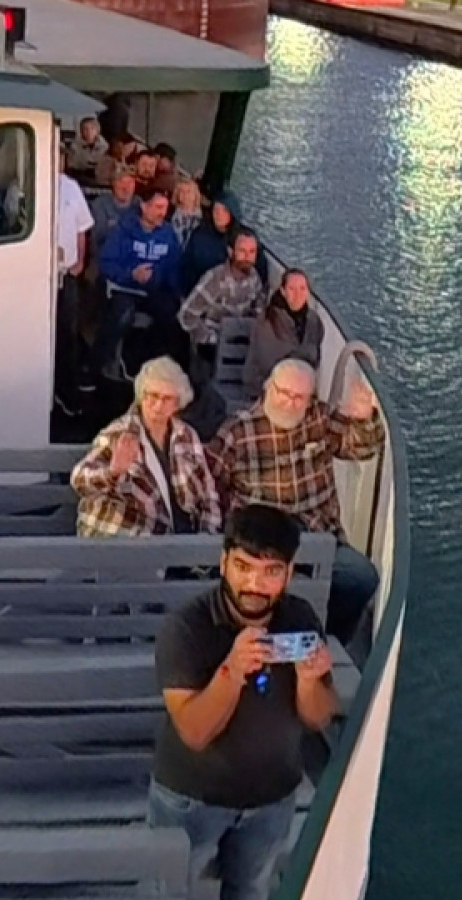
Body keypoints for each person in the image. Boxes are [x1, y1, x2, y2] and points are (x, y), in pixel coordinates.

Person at [149, 505, 337, 900]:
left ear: (289, 574)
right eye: (244, 567)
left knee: (251, 890)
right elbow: (193, 730)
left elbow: (318, 717)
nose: (256, 583)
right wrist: (231, 671)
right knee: (166, 892)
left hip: (273, 798)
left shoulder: (301, 618)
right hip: (192, 796)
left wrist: (311, 677)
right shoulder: (186, 629)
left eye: (271, 571)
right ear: (224, 562)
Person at [208, 359, 387, 645]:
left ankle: (327, 638)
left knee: (362, 577)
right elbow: (210, 485)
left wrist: (365, 419)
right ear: (269, 388)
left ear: (309, 399)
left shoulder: (320, 418)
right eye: (283, 392)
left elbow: (362, 449)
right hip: (264, 541)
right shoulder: (237, 432)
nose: (289, 402)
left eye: (298, 397)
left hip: (317, 533)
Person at [70, 358, 222, 536]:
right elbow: (79, 479)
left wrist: (206, 537)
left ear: (177, 404)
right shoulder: (119, 433)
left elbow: (208, 494)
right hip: (127, 538)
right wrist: (112, 473)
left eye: (167, 399)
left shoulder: (187, 435)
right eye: (153, 396)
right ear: (142, 396)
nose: (158, 405)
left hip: (180, 539)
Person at [94, 189, 182, 380]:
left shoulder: (168, 234)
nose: (162, 213)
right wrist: (131, 274)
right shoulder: (123, 230)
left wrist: (168, 287)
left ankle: (147, 362)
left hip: (153, 289)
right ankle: (98, 363)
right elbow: (106, 262)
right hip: (124, 287)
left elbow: (173, 268)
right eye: (158, 207)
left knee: (171, 316)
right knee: (122, 314)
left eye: (165, 208)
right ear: (144, 206)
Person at [243, 269, 326, 398]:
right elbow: (268, 364)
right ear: (283, 291)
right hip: (266, 387)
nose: (298, 294)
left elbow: (316, 359)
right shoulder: (267, 321)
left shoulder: (314, 321)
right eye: (292, 289)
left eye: (302, 288)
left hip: (299, 388)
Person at [180, 230, 267, 352]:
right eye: (242, 251)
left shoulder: (254, 277)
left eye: (252, 252)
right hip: (213, 340)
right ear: (231, 252)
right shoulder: (214, 278)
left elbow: (259, 309)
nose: (247, 257)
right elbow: (186, 315)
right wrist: (210, 337)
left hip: (241, 337)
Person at [55, 162, 96, 408]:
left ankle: (66, 389)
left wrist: (80, 260)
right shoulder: (23, 187)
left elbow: (82, 229)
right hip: (36, 276)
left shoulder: (71, 188)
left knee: (67, 332)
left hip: (66, 273)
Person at [179, 196, 241, 296]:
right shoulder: (199, 233)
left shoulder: (242, 239)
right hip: (198, 291)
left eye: (224, 210)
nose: (219, 214)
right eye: (216, 209)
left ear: (232, 213)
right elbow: (186, 265)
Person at [88, 166, 138, 264]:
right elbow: (95, 242)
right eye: (121, 182)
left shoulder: (140, 205)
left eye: (130, 183)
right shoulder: (99, 205)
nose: (125, 187)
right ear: (113, 184)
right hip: (102, 261)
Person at [169, 172, 206, 248]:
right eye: (181, 191)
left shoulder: (205, 219)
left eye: (188, 191)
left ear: (196, 195)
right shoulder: (169, 213)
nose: (185, 195)